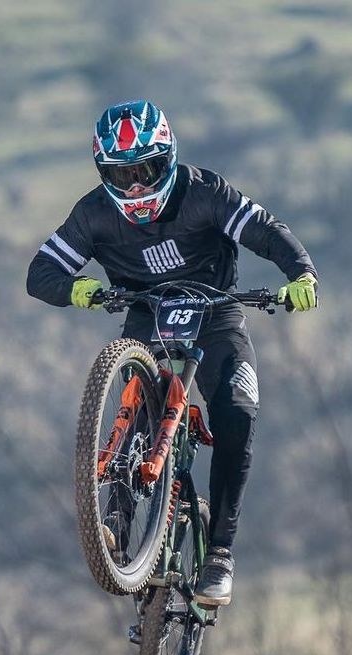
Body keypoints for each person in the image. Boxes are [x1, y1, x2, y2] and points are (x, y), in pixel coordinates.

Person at [27, 99, 318, 607]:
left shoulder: (205, 192)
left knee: (237, 413)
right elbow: (40, 273)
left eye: (147, 171)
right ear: (102, 174)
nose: (136, 188)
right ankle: (116, 522)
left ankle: (220, 552)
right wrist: (77, 290)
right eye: (122, 176)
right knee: (139, 406)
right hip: (146, 312)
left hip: (216, 311)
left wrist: (301, 273)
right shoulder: (93, 213)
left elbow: (265, 230)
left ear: (170, 158)